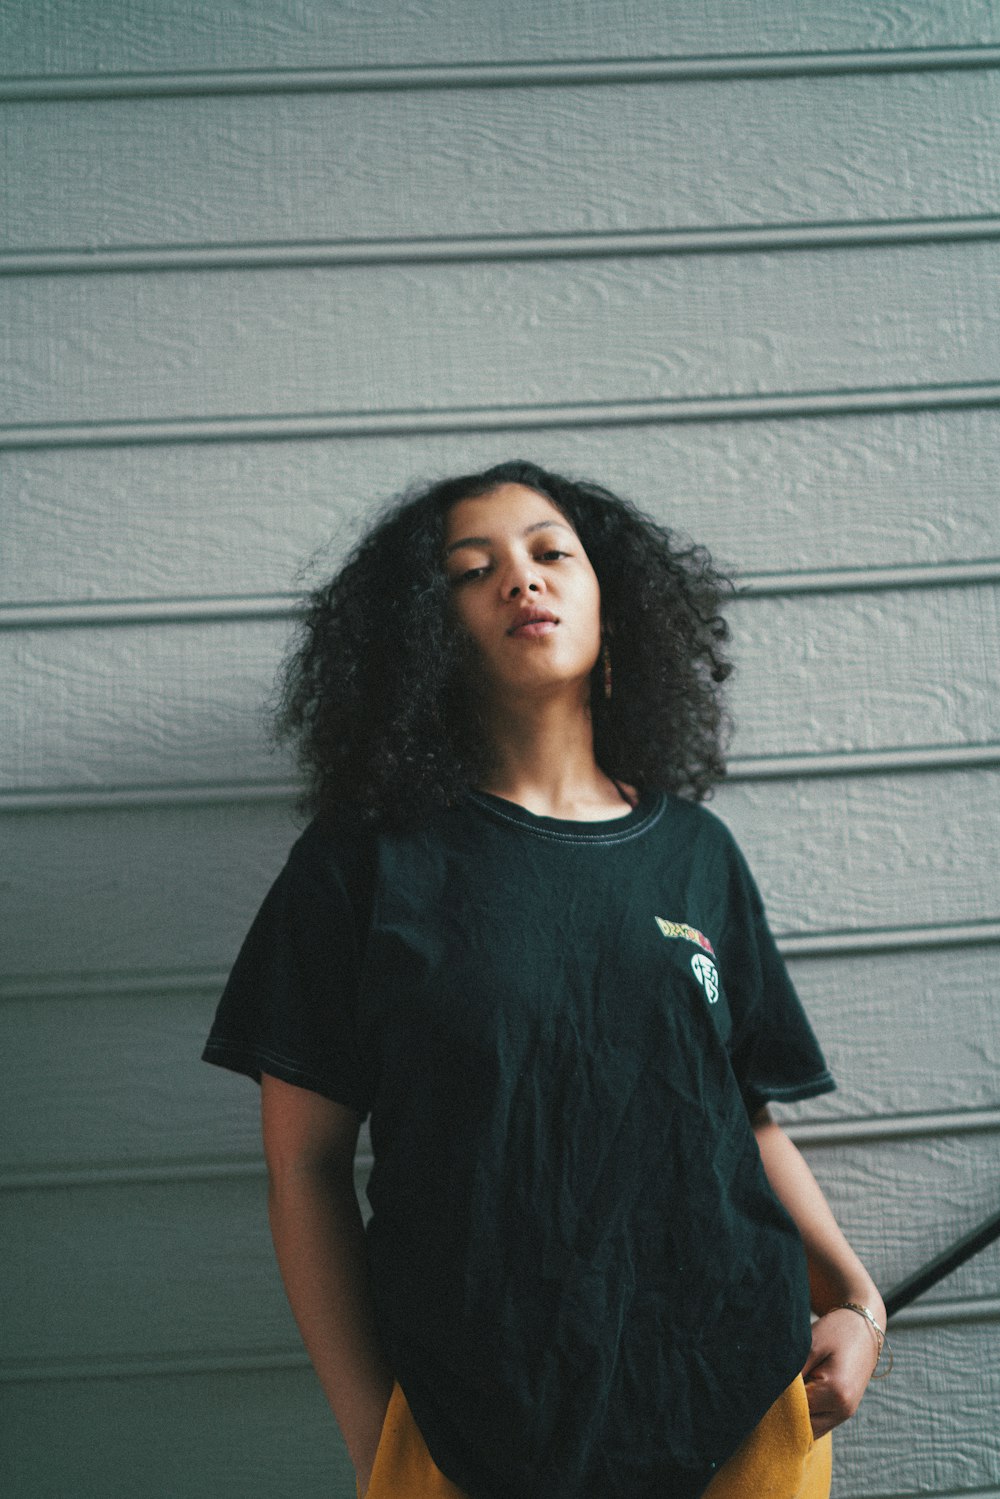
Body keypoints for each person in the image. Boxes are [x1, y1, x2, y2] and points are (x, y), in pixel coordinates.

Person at [203, 459, 889, 1499]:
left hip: (742, 1405)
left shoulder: (695, 852)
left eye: (551, 552)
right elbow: (304, 1169)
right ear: (423, 634)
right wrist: (373, 1437)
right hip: (466, 1426)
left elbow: (742, 1115)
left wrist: (854, 1299)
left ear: (616, 599)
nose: (522, 579)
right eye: (471, 570)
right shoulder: (360, 865)